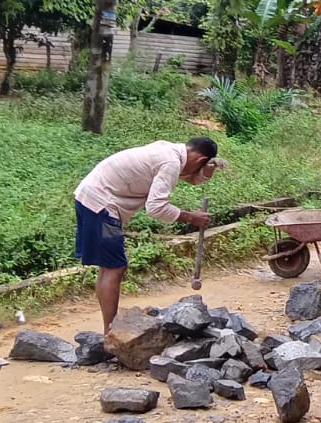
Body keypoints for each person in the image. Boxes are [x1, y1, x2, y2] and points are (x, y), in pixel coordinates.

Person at [75, 136, 220, 330]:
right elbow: (156, 207)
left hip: (89, 198)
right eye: (200, 167)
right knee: (114, 267)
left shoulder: (169, 151)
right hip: (102, 206)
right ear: (200, 159)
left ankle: (109, 330)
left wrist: (207, 170)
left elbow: (190, 176)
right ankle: (111, 333)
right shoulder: (170, 163)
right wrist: (191, 217)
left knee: (109, 267)